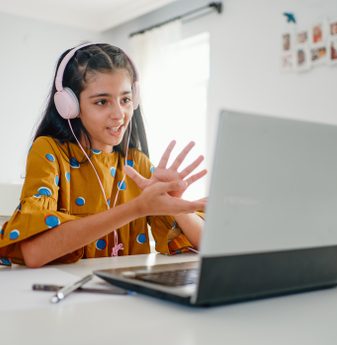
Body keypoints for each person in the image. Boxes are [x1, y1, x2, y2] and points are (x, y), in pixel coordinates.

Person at [0, 42, 206, 268]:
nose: (119, 114)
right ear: (69, 105)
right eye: (102, 101)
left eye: (126, 100)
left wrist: (175, 206)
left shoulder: (136, 162)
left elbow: (207, 245)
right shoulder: (49, 151)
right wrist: (137, 208)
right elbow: (34, 252)